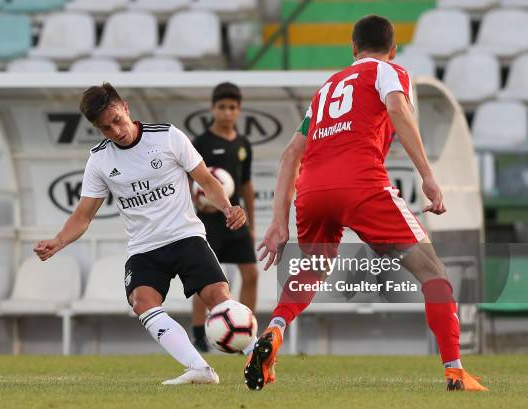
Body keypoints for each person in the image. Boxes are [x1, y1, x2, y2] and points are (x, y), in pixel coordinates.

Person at [243, 15, 488, 392]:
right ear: (392, 50)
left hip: (311, 191)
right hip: (360, 184)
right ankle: (456, 373)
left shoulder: (326, 87)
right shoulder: (388, 71)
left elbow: (290, 154)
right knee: (434, 275)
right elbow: (397, 108)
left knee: (311, 271)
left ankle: (274, 332)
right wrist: (427, 174)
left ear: (353, 48)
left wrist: (279, 221)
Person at [33, 82, 247, 385]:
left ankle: (254, 349)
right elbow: (83, 215)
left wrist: (227, 209)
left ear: (126, 109)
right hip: (145, 248)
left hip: (185, 236)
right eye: (106, 128)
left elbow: (207, 181)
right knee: (142, 301)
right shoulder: (100, 160)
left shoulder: (168, 136)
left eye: (117, 120)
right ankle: (199, 368)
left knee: (219, 299)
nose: (116, 131)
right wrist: (58, 241)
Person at [190, 82, 259, 353]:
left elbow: (247, 185)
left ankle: (246, 335)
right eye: (222, 107)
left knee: (251, 273)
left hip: (237, 219)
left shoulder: (243, 145)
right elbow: (190, 180)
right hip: (208, 221)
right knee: (205, 280)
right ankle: (198, 335)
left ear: (239, 110)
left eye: (232, 107)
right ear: (213, 109)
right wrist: (197, 202)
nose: (227, 112)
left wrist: (251, 223)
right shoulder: (201, 143)